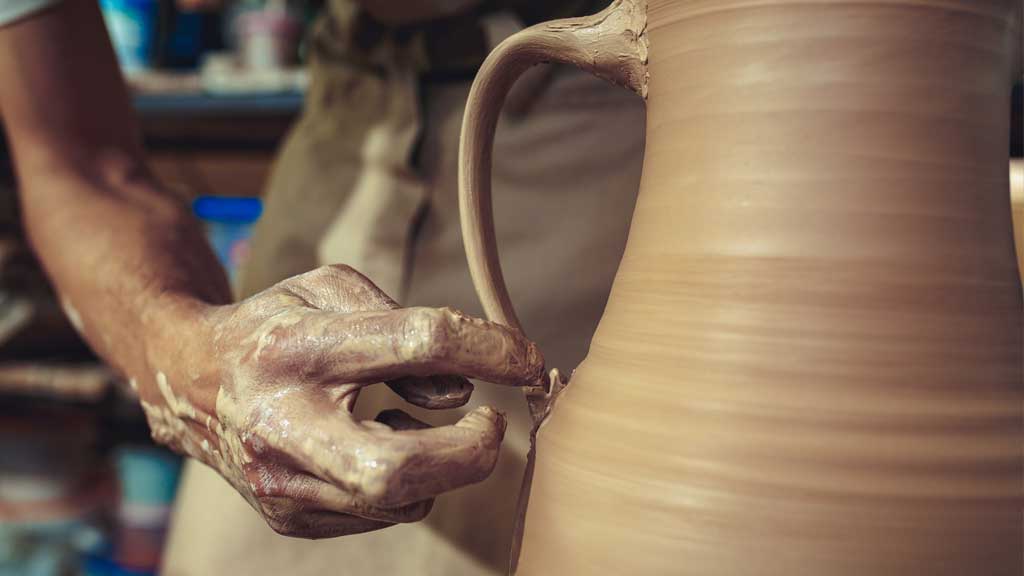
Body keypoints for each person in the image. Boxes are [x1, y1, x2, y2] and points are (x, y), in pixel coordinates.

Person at [0, 0, 544, 552]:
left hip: (567, 102)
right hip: (354, 96)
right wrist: (189, 356)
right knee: (256, 482)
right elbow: (78, 166)